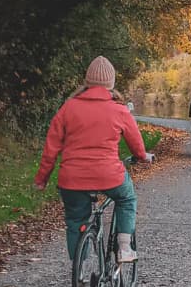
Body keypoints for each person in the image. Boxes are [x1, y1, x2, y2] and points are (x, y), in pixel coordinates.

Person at [34, 56, 152, 263]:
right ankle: (124, 247)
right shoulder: (119, 109)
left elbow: (51, 148)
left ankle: (79, 271)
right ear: (111, 84)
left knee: (75, 220)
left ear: (87, 82)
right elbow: (136, 143)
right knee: (126, 199)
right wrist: (142, 157)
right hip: (109, 176)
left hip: (72, 179)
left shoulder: (68, 108)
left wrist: (42, 179)